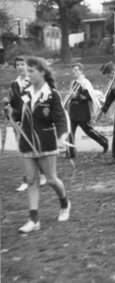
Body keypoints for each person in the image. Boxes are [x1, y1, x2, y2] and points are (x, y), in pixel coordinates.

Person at [10, 56, 71, 233]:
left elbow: (60, 119)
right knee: (31, 181)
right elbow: (19, 116)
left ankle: (65, 203)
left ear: (42, 72)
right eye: (26, 71)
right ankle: (34, 219)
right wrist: (11, 112)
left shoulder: (52, 95)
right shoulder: (25, 94)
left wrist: (62, 137)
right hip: (27, 143)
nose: (27, 74)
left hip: (46, 143)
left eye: (31, 71)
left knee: (51, 179)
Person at [9, 56, 47, 192]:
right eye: (17, 64)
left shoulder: (32, 81)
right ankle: (26, 180)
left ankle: (43, 175)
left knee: (35, 147)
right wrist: (8, 104)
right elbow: (14, 102)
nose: (20, 67)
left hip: (32, 119)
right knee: (22, 151)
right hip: (18, 121)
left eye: (22, 64)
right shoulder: (14, 84)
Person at [65, 63, 108, 158]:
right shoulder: (73, 83)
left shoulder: (85, 83)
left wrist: (77, 96)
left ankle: (104, 142)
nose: (74, 72)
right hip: (73, 112)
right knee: (69, 132)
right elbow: (70, 97)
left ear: (81, 71)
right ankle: (70, 153)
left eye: (76, 70)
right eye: (73, 70)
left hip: (82, 112)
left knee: (89, 131)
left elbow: (89, 97)